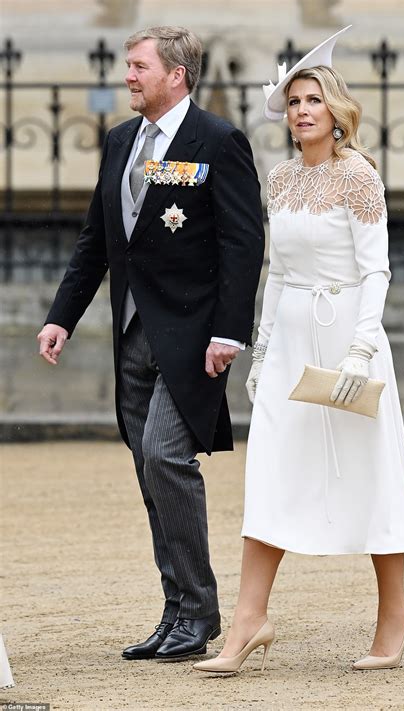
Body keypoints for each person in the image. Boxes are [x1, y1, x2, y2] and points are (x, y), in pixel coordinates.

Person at [194, 27, 404, 675]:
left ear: (335, 108)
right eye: (293, 100)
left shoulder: (359, 177)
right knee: (271, 473)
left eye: (312, 99)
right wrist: (263, 355)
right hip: (292, 340)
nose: (301, 110)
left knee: (369, 471)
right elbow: (279, 274)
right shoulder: (284, 179)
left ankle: (396, 613)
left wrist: (360, 350)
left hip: (350, 336)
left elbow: (377, 270)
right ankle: (247, 621)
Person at [37, 26, 264, 662]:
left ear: (176, 75)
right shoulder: (119, 142)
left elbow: (243, 245)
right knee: (147, 470)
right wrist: (63, 316)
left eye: (138, 67)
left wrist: (229, 331)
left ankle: (202, 610)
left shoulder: (218, 141)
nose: (128, 76)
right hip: (132, 335)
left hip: (193, 337)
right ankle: (176, 612)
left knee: (166, 456)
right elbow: (96, 240)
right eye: (128, 66)